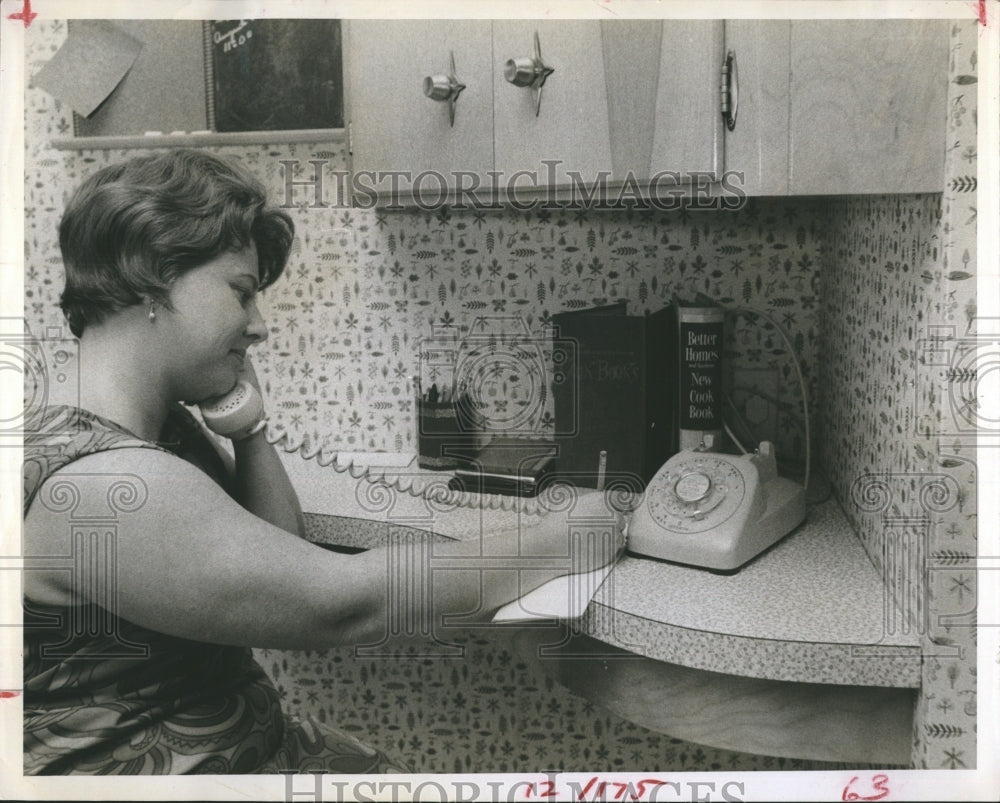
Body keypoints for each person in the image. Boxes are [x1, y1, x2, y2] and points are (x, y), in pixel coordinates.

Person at [21, 149, 623, 775]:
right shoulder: (107, 486)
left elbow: (276, 552)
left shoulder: (147, 429)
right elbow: (335, 604)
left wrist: (246, 429)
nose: (258, 327)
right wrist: (564, 539)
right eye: (241, 292)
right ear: (150, 274)